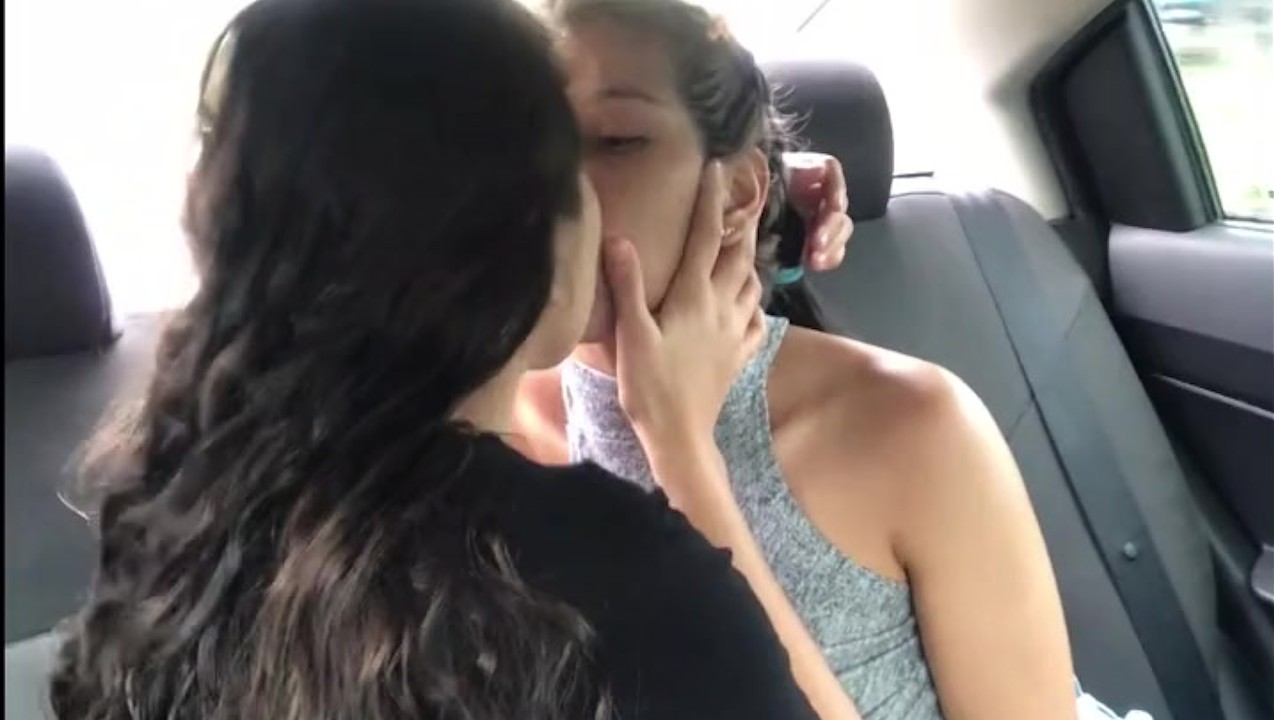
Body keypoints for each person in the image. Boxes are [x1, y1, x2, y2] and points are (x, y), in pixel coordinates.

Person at [46, 0, 857, 718]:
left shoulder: (174, 510)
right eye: (568, 158)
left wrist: (762, 183)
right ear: (510, 224)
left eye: (614, 145)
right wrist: (681, 450)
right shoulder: (628, 584)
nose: (597, 197)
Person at [513, 1, 1080, 719]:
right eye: (516, 140)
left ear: (738, 191)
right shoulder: (479, 432)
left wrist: (681, 456)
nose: (546, 187)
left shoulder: (910, 428)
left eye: (617, 141)